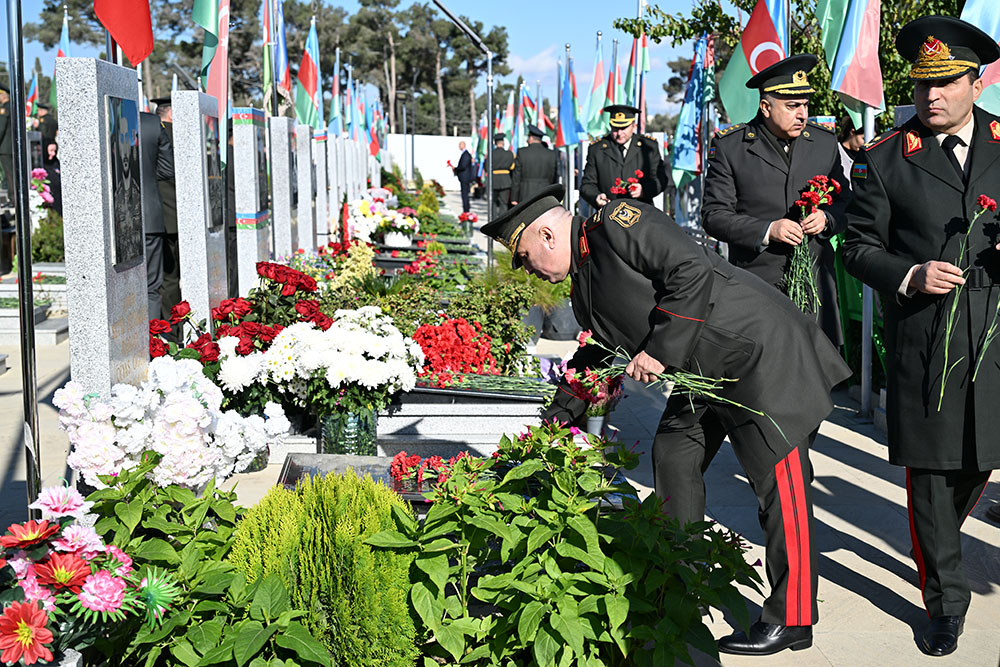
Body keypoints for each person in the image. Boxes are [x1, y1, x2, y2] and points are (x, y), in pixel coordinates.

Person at [483, 185, 850, 656]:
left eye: (527, 256)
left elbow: (690, 269)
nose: (530, 269)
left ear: (549, 236)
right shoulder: (584, 279)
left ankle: (794, 617)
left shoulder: (616, 221)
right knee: (674, 454)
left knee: (781, 482)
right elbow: (597, 355)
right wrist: (552, 425)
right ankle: (682, 582)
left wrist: (657, 352)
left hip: (758, 353)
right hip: (706, 369)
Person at [842, 15, 1000, 657]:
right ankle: (945, 601)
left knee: (979, 460)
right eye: (921, 85)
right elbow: (856, 249)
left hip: (993, 339)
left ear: (976, 82)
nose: (930, 97)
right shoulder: (885, 162)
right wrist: (907, 273)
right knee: (932, 477)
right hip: (926, 338)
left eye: (945, 83)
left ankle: (941, 551)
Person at [703, 55, 849, 347]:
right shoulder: (732, 146)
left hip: (815, 287)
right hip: (757, 284)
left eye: (805, 105)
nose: (802, 114)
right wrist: (768, 230)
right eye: (792, 106)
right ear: (766, 107)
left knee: (817, 380)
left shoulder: (823, 143)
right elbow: (714, 215)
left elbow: (846, 201)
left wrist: (827, 219)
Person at [580, 104, 673, 212]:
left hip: (641, 213)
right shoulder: (597, 149)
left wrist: (644, 190)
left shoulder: (648, 147)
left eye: (623, 128)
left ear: (634, 126)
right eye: (615, 128)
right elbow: (587, 185)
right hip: (609, 213)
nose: (619, 133)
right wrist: (596, 197)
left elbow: (660, 179)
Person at [138, 110, 175, 320]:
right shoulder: (152, 123)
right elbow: (168, 169)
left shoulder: (104, 114)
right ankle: (152, 343)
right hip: (149, 214)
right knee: (151, 287)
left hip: (115, 219)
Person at [151, 97, 180, 331]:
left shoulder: (148, 133)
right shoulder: (174, 135)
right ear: (171, 114)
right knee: (171, 279)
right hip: (175, 218)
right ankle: (173, 328)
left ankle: (165, 326)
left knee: (159, 280)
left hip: (156, 218)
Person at [510, 125, 559, 206]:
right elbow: (553, 176)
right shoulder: (551, 154)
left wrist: (514, 197)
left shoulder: (522, 152)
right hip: (544, 193)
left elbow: (516, 177)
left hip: (525, 193)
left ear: (531, 138)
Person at [491, 132, 515, 215]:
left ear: (495, 143)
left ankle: (493, 220)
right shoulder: (509, 154)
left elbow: (487, 168)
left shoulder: (491, 154)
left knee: (493, 203)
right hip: (506, 180)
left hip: (493, 180)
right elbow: (512, 167)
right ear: (503, 142)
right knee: (503, 203)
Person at [453, 141, 475, 213]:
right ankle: (465, 209)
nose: (459, 146)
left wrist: (456, 169)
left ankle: (466, 210)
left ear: (463, 145)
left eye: (460, 144)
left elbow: (463, 166)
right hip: (464, 177)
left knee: (465, 194)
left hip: (465, 177)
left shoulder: (466, 154)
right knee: (464, 194)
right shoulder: (464, 154)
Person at [0, 85, 12, 196]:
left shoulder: (4, 109)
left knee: (9, 174)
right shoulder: (13, 107)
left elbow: (1, 128)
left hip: (5, 147)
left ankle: (13, 198)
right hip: (10, 146)